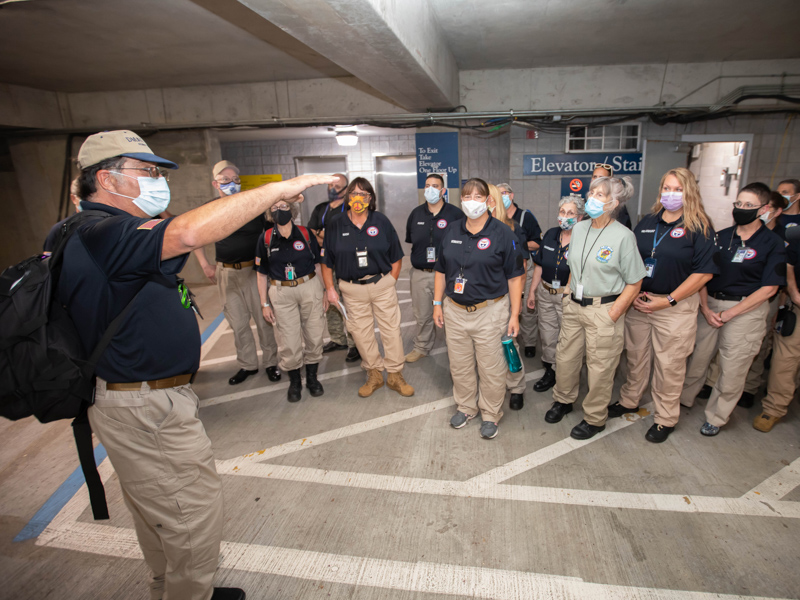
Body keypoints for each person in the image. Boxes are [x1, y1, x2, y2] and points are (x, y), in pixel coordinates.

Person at [60, 129, 333, 600]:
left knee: (158, 511)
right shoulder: (101, 232)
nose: (156, 181)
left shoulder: (92, 231)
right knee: (192, 513)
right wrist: (274, 190)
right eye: (145, 172)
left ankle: (170, 587)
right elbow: (187, 232)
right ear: (107, 179)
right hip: (144, 405)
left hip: (135, 396)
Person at [607, 168, 717, 443]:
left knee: (670, 366)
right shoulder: (648, 221)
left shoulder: (699, 226)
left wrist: (667, 300)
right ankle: (630, 400)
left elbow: (703, 273)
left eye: (677, 189)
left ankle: (665, 418)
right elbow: (628, 256)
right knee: (635, 358)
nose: (670, 194)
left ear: (689, 191)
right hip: (641, 301)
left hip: (673, 306)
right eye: (666, 188)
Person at [679, 182, 787, 436]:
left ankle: (716, 417)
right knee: (697, 359)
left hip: (746, 310)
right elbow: (702, 273)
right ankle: (684, 399)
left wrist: (729, 314)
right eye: (738, 204)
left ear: (764, 209)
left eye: (748, 205)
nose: (741, 209)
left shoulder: (772, 243)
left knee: (733, 368)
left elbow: (770, 289)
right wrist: (705, 307)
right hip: (710, 304)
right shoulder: (721, 236)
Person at [544, 176, 646, 440]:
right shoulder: (579, 229)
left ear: (613, 202)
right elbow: (573, 268)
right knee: (565, 358)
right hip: (574, 306)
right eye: (592, 192)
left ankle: (595, 418)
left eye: (599, 195)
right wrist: (568, 293)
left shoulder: (623, 236)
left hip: (604, 310)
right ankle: (563, 400)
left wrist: (614, 313)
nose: (591, 197)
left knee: (601, 368)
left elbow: (635, 281)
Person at [434, 178, 525, 439]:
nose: (471, 201)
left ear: (488, 201)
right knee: (460, 364)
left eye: (477, 196)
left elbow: (515, 277)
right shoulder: (451, 230)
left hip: (491, 311)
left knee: (491, 367)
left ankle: (490, 414)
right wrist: (437, 304)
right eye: (466, 196)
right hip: (455, 309)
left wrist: (514, 315)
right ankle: (466, 406)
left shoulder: (503, 233)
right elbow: (441, 270)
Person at [321, 177, 413, 397]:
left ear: (370, 198)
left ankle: (394, 374)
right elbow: (326, 262)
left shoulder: (380, 221)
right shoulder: (335, 223)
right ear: (348, 197)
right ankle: (373, 372)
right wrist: (330, 289)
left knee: (391, 331)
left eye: (363, 194)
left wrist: (391, 279)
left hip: (381, 284)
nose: (358, 198)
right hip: (351, 289)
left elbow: (396, 255)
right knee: (361, 334)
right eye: (354, 194)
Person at [192, 160, 280, 386]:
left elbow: (271, 232)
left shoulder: (251, 206)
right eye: (225, 180)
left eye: (235, 179)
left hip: (254, 272)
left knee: (264, 320)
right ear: (215, 183)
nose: (232, 183)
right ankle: (247, 364)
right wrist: (204, 264)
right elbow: (193, 237)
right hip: (226, 273)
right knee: (238, 322)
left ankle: (271, 362)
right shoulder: (209, 209)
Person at [256, 200, 325, 403]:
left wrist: (323, 292)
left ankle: (312, 378)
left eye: (284, 207)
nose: (280, 211)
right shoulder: (266, 238)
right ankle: (295, 382)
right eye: (275, 208)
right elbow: (261, 274)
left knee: (314, 334)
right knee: (288, 340)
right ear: (270, 212)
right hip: (280, 291)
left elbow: (318, 265)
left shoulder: (305, 234)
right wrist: (264, 303)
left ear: (292, 210)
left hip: (309, 286)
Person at [527, 194, 585, 393]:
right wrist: (532, 291)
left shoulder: (584, 239)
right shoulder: (551, 234)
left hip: (566, 296)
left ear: (579, 217)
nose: (565, 216)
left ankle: (565, 374)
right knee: (548, 334)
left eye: (570, 213)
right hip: (545, 292)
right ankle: (550, 370)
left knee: (567, 338)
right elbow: (539, 266)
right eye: (562, 212)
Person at [404, 173, 464, 363]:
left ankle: (456, 349)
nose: (430, 189)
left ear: (443, 190)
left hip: (448, 274)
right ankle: (422, 346)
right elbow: (412, 241)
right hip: (421, 274)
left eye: (435, 186)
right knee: (422, 314)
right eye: (427, 185)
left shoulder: (455, 215)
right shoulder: (416, 214)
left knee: (452, 314)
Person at [308, 173, 359, 362]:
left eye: (337, 187)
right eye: (330, 186)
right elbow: (312, 232)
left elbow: (347, 237)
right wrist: (327, 238)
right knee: (330, 301)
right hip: (325, 263)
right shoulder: (321, 209)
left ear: (346, 190)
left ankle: (355, 344)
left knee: (349, 304)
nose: (332, 190)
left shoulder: (351, 210)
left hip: (346, 263)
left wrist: (324, 237)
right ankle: (338, 339)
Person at [488, 184, 528, 410]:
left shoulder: (511, 229)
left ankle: (516, 387)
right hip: (482, 301)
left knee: (508, 345)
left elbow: (520, 270)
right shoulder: (471, 229)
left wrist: (517, 302)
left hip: (504, 299)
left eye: (486, 199)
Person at [754, 238, 800, 432]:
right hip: (797, 308)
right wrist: (793, 293)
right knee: (784, 361)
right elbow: (788, 265)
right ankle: (774, 408)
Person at [497, 183, 541, 358]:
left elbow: (537, 242)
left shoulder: (525, 217)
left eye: (504, 193)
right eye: (497, 194)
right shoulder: (494, 218)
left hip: (524, 267)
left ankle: (529, 342)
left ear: (511, 195)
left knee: (525, 308)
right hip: (503, 271)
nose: (502, 197)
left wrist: (516, 245)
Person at [43, 177, 84, 254]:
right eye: (83, 197)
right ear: (73, 198)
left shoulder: (106, 220)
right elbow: (46, 258)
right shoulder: (59, 229)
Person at [592, 164, 632, 228]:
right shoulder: (588, 203)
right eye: (595, 177)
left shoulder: (616, 206)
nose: (597, 180)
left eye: (601, 177)